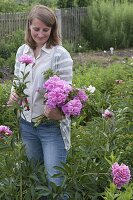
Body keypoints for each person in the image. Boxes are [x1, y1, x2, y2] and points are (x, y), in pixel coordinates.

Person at [7, 5, 73, 200]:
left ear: (52, 30)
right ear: (29, 27)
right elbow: (17, 82)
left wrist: (56, 110)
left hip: (51, 127)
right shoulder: (22, 50)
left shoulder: (60, 54)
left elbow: (66, 93)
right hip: (27, 125)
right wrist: (13, 97)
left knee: (55, 185)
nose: (40, 33)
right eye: (36, 29)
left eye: (46, 29)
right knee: (35, 182)